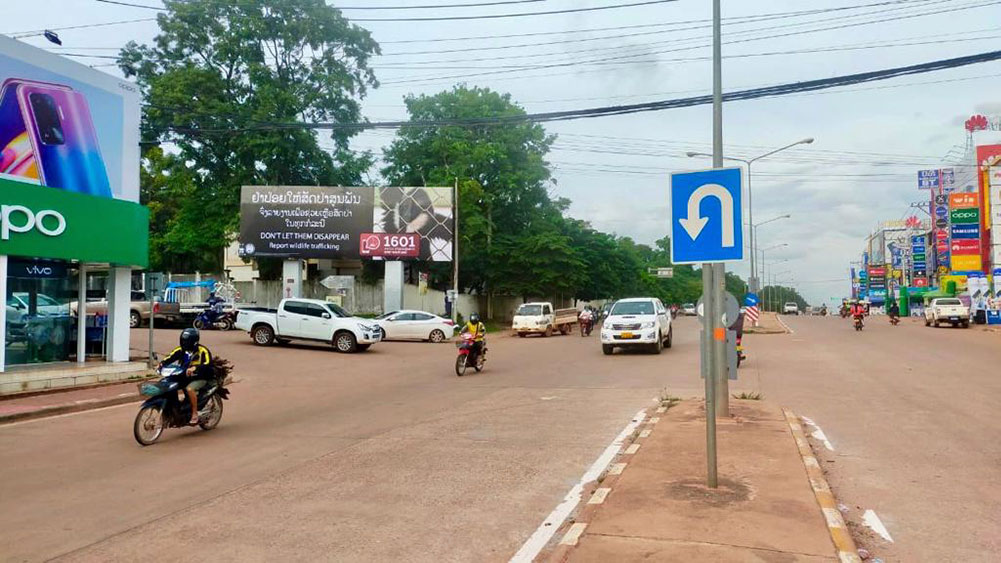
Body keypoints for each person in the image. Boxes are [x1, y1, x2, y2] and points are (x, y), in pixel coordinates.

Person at [159, 328, 213, 425]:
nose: (184, 343)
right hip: (184, 376)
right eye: (183, 340)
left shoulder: (203, 351)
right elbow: (169, 358)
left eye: (186, 341)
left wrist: (195, 368)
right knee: (168, 384)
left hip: (200, 377)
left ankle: (194, 413)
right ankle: (174, 409)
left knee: (189, 389)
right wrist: (161, 364)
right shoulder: (180, 350)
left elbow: (207, 364)